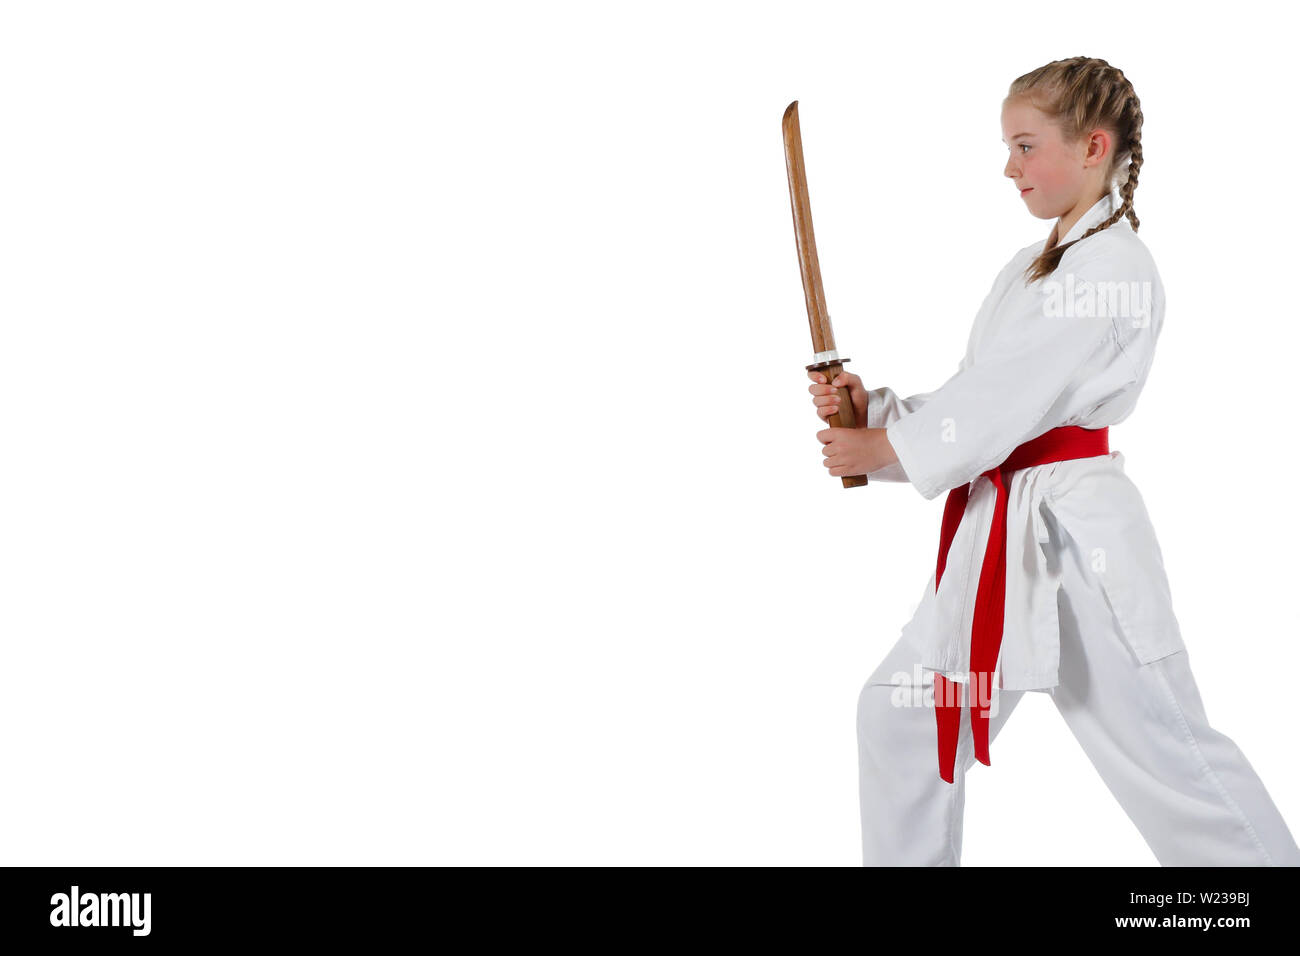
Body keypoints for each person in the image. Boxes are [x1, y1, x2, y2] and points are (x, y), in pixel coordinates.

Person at [806, 56, 1300, 867]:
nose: (1010, 167)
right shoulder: (1035, 266)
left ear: (1094, 146)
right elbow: (983, 393)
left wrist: (885, 448)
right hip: (1005, 531)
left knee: (1167, 751)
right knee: (899, 719)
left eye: (1026, 145)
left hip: (1078, 542)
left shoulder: (1112, 270)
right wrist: (880, 414)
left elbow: (1002, 407)